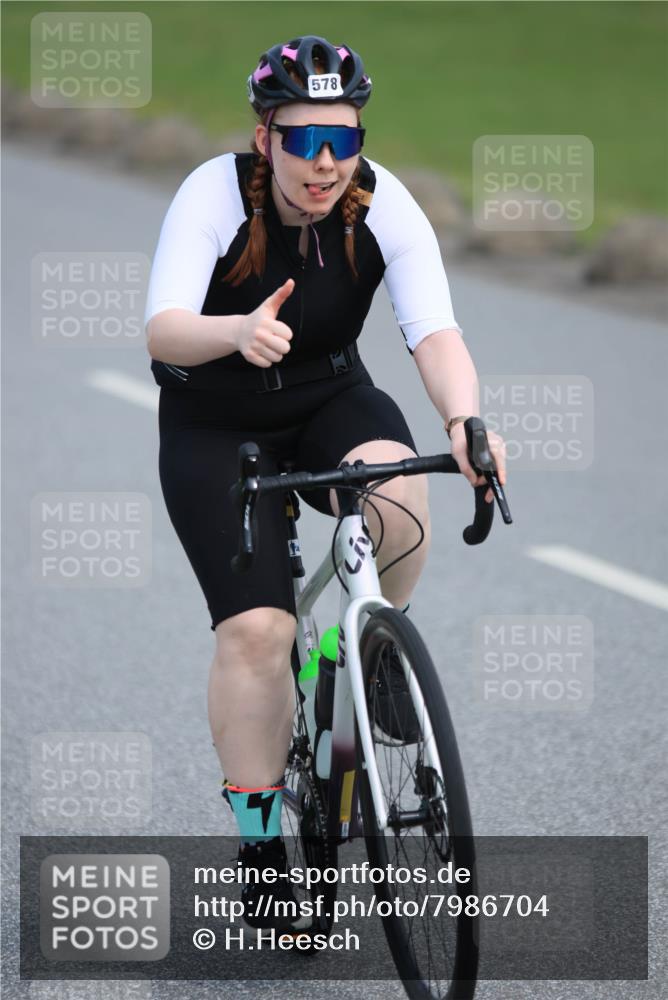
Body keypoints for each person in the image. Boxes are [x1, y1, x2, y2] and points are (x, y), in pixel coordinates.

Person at [144, 35, 506, 930]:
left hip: (327, 395)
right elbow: (162, 329)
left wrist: (465, 421)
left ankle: (380, 650)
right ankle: (264, 846)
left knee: (398, 492)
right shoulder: (212, 195)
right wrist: (230, 333)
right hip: (215, 420)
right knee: (260, 634)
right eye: (304, 141)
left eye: (343, 141)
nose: (326, 164)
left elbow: (433, 332)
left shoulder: (382, 201)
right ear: (266, 136)